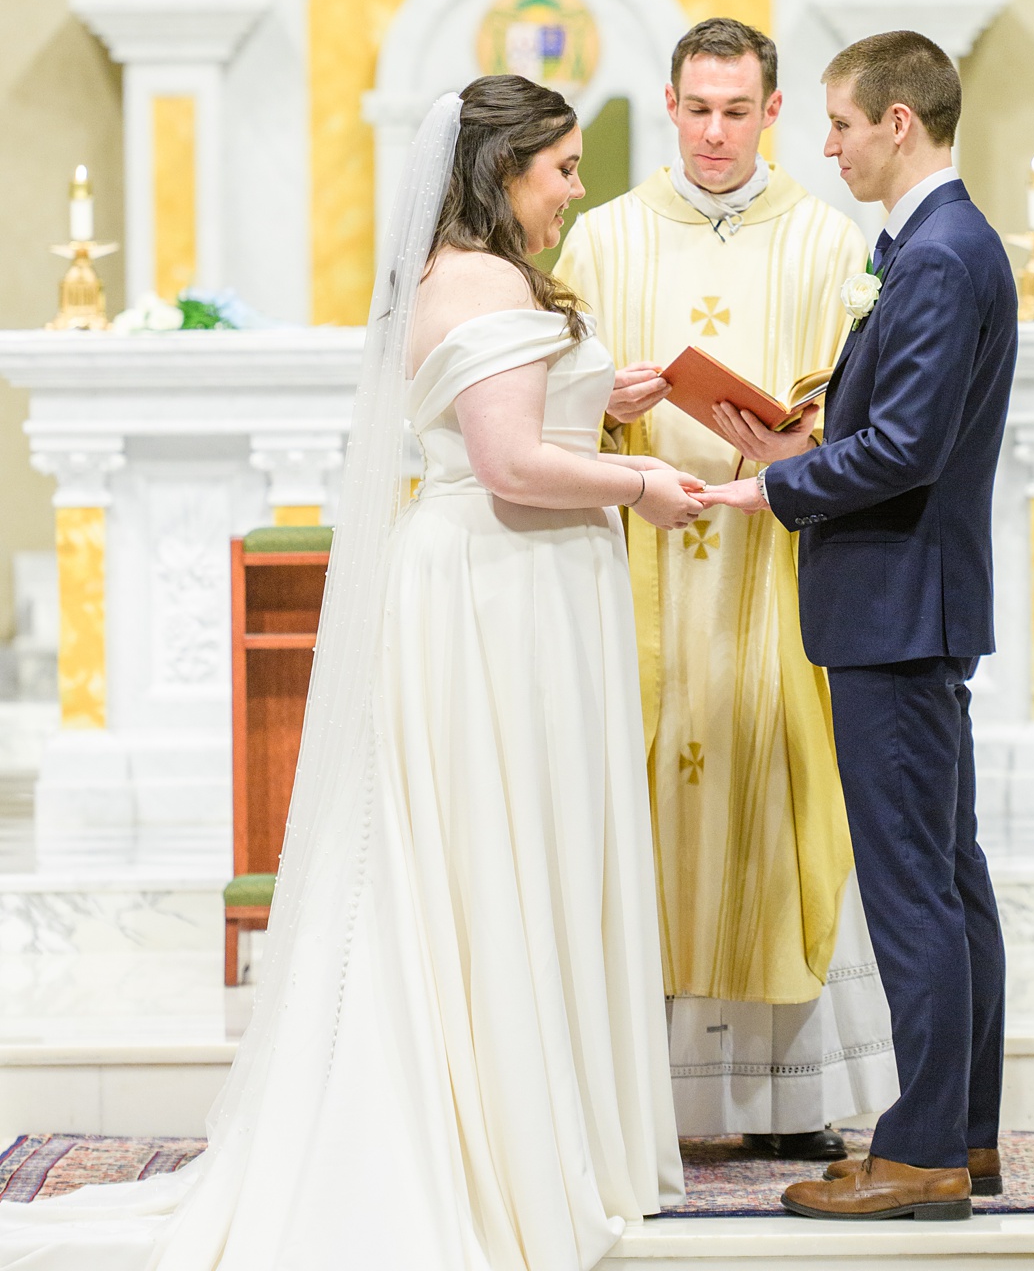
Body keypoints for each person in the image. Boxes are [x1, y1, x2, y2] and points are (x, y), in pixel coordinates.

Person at [0, 76, 692, 1269]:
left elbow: (512, 418)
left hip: (508, 584)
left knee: (503, 847)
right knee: (492, 852)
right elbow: (513, 464)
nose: (577, 190)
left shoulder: (463, 275)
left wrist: (600, 394)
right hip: (499, 588)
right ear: (502, 168)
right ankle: (490, 1143)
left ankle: (527, 1121)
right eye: (562, 168)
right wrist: (644, 484)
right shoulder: (477, 280)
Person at [554, 18, 900, 1161]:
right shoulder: (598, 245)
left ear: (774, 112)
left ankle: (782, 1099)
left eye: (736, 110)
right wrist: (612, 402)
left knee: (783, 796)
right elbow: (547, 408)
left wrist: (804, 431)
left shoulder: (824, 241)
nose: (714, 132)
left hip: (772, 570)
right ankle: (639, 1102)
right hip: (638, 568)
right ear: (668, 102)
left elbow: (858, 413)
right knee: (640, 793)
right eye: (697, 108)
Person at [702, 30, 1014, 1223]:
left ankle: (927, 1148)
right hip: (911, 600)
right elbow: (891, 420)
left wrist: (772, 485)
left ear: (898, 120)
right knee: (948, 873)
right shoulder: (934, 244)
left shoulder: (937, 254)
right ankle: (963, 1130)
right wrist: (819, 423)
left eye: (837, 123)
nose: (822, 146)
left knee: (911, 887)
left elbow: (908, 451)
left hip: (895, 604)